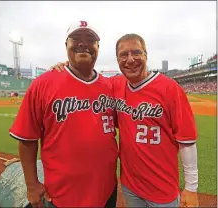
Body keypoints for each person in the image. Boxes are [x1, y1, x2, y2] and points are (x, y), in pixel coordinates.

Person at [51, 33, 199, 207]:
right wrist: (68, 66)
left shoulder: (169, 88)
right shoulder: (115, 85)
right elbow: (89, 81)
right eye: (123, 55)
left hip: (163, 189)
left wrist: (191, 187)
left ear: (146, 55)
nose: (130, 60)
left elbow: (187, 140)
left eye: (136, 53)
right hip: (131, 187)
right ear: (117, 59)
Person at [9, 21, 118, 208]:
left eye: (90, 40)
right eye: (76, 39)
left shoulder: (111, 87)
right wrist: (31, 184)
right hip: (61, 196)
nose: (83, 44)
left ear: (98, 47)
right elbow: (27, 139)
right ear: (66, 45)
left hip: (107, 191)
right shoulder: (43, 84)